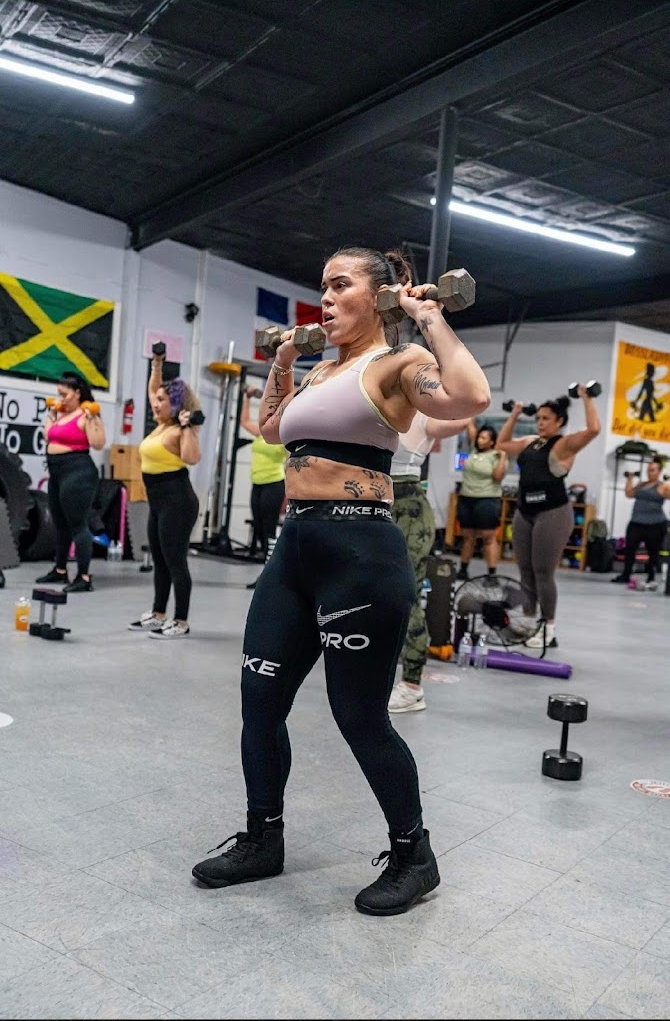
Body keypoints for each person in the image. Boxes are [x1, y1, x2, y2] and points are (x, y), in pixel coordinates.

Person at [192, 246, 490, 915]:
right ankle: (262, 839)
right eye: (320, 286)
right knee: (259, 701)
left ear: (378, 295)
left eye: (339, 285)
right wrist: (281, 364)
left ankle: (414, 855)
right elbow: (271, 430)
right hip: (295, 549)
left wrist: (428, 317)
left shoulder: (398, 363)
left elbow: (471, 396)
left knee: (359, 716)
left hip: (360, 552)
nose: (324, 299)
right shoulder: (323, 369)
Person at [496, 388, 600, 648]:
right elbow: (501, 444)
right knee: (525, 571)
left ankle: (548, 629)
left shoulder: (563, 445)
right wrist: (515, 415)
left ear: (559, 421)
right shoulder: (531, 442)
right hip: (525, 511)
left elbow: (593, 430)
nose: (541, 423)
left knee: (543, 572)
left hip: (552, 513)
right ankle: (529, 623)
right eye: (538, 418)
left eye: (546, 419)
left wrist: (586, 397)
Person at [387, 411, 468, 714]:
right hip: (374, 503)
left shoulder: (421, 417)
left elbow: (465, 415)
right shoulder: (376, 407)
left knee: (406, 597)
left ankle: (412, 686)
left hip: (408, 511)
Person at [127, 349, 201, 639]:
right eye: (156, 400)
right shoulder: (161, 426)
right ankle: (158, 614)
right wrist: (157, 364)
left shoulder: (178, 431)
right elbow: (152, 389)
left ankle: (181, 621)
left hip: (178, 503)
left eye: (162, 401)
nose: (155, 404)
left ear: (177, 405)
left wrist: (188, 427)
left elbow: (192, 459)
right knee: (159, 560)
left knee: (175, 561)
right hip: (158, 503)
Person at [37, 372, 106, 592]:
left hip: (78, 473)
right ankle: (60, 570)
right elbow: (48, 436)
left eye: (65, 394)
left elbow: (98, 444)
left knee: (78, 525)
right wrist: (51, 413)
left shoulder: (85, 415)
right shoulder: (62, 415)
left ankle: (84, 577)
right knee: (60, 524)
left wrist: (93, 418)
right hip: (57, 473)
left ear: (77, 393)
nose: (62, 399)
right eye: (59, 394)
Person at [240, 385, 287, 589]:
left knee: (269, 531)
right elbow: (244, 421)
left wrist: (288, 496)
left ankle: (269, 576)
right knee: (259, 529)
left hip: (273, 485)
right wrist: (247, 397)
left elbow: (292, 463)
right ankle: (267, 572)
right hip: (257, 485)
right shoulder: (263, 433)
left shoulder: (284, 436)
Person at [455, 420, 507, 582]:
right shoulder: (473, 450)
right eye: (479, 437)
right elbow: (470, 424)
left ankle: (492, 574)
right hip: (466, 498)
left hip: (487, 499)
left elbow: (498, 477)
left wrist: (503, 457)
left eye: (484, 438)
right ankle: (463, 570)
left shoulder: (495, 456)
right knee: (467, 537)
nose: (479, 440)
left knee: (488, 538)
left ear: (492, 442)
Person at [611, 457, 670, 587]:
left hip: (655, 524)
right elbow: (629, 494)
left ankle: (651, 576)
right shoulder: (641, 485)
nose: (649, 472)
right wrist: (630, 479)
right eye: (648, 470)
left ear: (659, 472)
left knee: (653, 551)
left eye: (652, 470)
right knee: (629, 549)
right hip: (636, 522)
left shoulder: (662, 486)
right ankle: (626, 575)